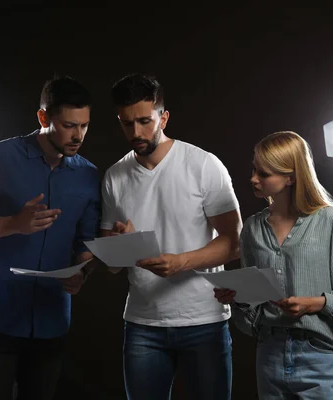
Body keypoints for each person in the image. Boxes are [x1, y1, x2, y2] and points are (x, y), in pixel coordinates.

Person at [101, 73, 242, 400]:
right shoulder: (114, 177)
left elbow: (234, 242)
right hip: (142, 325)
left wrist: (180, 262)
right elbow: (110, 265)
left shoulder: (203, 165)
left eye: (144, 121)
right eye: (126, 123)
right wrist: (122, 247)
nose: (135, 132)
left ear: (163, 117)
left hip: (203, 320)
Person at [214, 131, 333, 399]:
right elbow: (253, 315)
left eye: (263, 174)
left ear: (290, 177)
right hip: (270, 356)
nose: (253, 179)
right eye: (254, 169)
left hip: (323, 358)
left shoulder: (330, 221)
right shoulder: (253, 228)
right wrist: (237, 298)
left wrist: (315, 303)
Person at [0, 76, 100, 400]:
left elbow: (86, 243)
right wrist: (14, 223)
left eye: (84, 125)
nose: (78, 135)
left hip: (51, 322)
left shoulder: (88, 174)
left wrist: (82, 273)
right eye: (69, 125)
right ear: (43, 118)